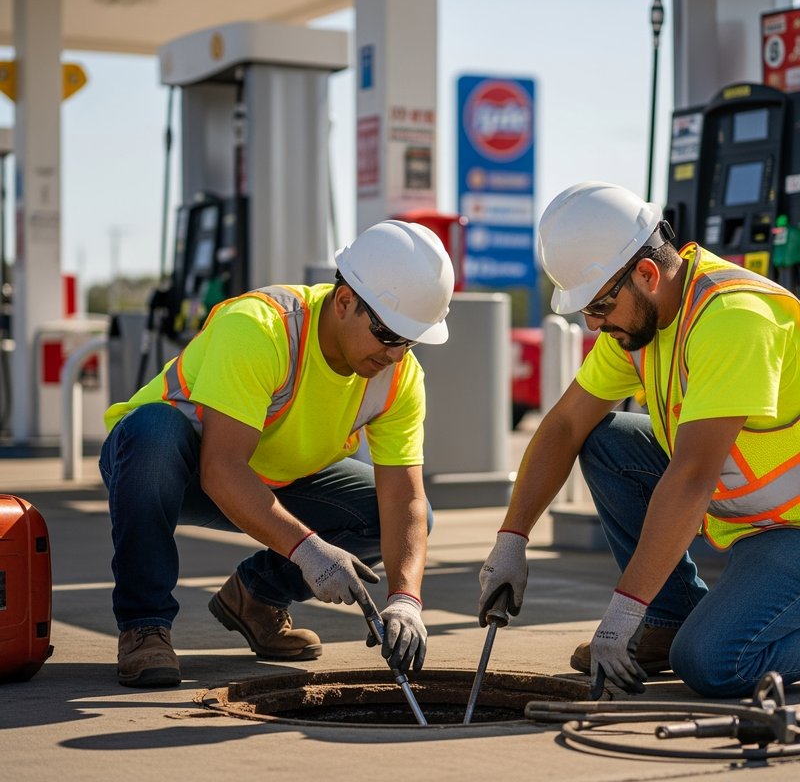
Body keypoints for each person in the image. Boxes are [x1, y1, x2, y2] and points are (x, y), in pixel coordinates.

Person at [478, 181, 800, 699]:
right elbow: (564, 425)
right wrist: (511, 541)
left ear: (647, 275)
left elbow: (692, 477)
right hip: (764, 526)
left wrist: (621, 613)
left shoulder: (734, 320)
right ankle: (669, 618)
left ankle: (673, 630)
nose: (593, 324)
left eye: (600, 307)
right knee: (607, 441)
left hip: (793, 531)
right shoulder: (639, 326)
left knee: (711, 662)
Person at [99, 219, 455, 688]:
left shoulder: (399, 377)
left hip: (272, 479)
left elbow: (403, 501)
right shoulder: (262, 329)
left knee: (407, 515)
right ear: (345, 301)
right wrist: (309, 551)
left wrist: (406, 598)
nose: (395, 355)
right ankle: (145, 626)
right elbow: (221, 468)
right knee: (154, 430)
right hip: (169, 464)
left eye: (409, 341)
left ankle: (256, 597)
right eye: (389, 335)